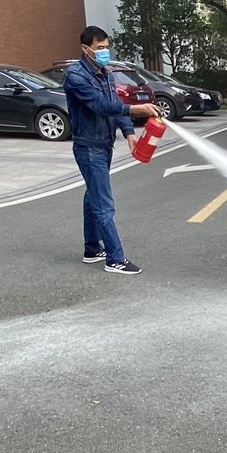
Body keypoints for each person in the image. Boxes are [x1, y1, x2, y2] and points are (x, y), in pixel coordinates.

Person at [62, 26, 158, 275]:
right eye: (100, 48)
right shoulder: (75, 75)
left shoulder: (105, 74)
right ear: (85, 49)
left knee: (92, 196)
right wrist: (135, 110)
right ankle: (115, 259)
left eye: (107, 47)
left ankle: (92, 249)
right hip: (88, 147)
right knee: (103, 204)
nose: (105, 52)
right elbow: (101, 105)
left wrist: (129, 133)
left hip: (104, 145)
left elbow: (116, 103)